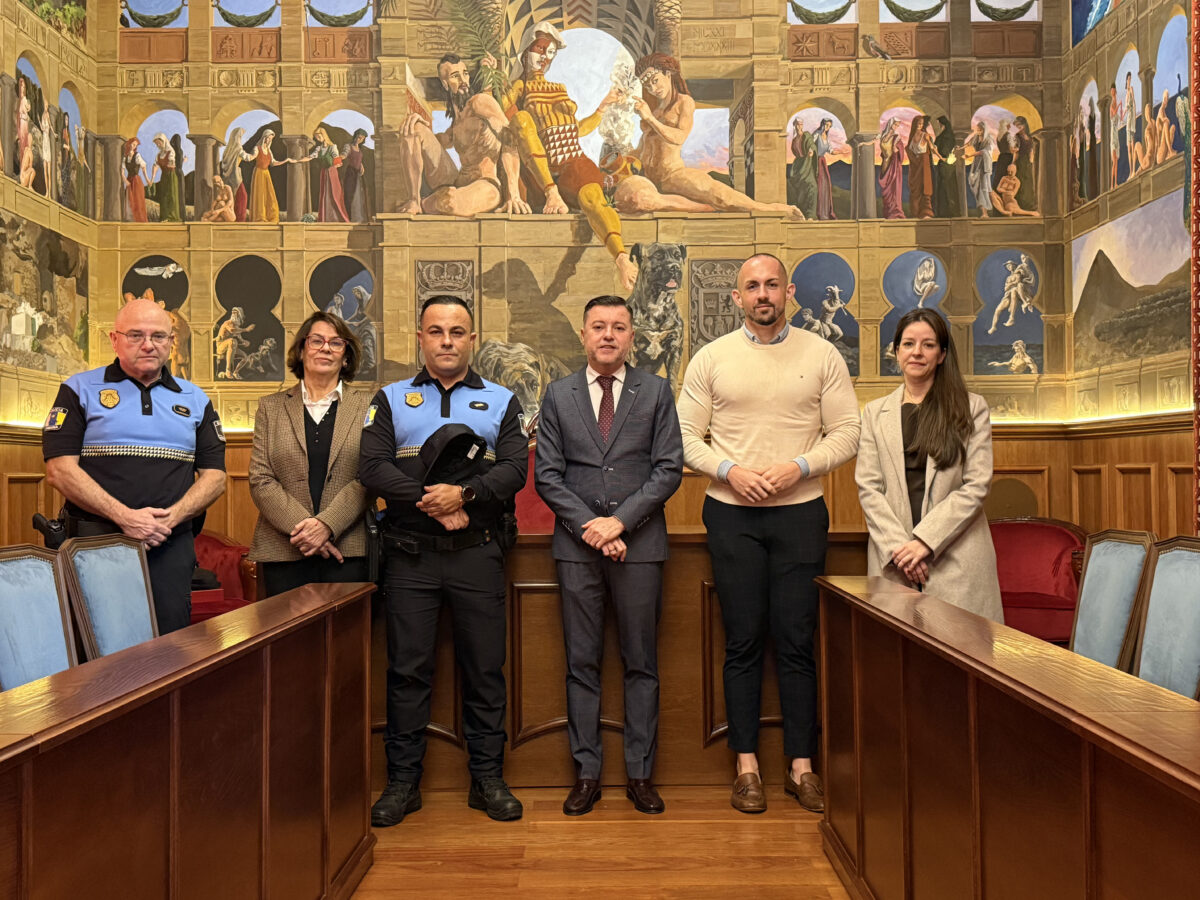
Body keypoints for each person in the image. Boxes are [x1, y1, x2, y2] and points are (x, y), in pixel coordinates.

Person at [677, 254, 859, 814]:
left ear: (790, 292)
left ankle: (802, 767)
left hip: (800, 512)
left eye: (772, 285)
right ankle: (747, 767)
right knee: (743, 639)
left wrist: (798, 467)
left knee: (798, 640)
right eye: (752, 286)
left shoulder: (822, 354)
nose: (763, 294)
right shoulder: (711, 358)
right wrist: (729, 471)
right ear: (737, 298)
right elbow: (684, 437)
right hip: (731, 513)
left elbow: (848, 432)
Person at [360, 294, 528, 826]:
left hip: (478, 554)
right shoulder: (390, 398)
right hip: (411, 558)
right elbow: (372, 467)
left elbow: (515, 470)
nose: (447, 341)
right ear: (420, 338)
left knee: (485, 670)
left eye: (457, 332)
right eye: (436, 331)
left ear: (472, 339)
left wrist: (466, 497)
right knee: (407, 672)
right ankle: (402, 784)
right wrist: (433, 500)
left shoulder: (502, 400)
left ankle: (488, 780)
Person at [534, 295, 683, 817]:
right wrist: (593, 529)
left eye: (619, 327)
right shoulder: (558, 394)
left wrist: (620, 523)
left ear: (631, 337)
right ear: (583, 335)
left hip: (640, 545)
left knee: (641, 662)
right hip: (577, 550)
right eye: (598, 326)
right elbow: (546, 476)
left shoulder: (656, 391)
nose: (608, 335)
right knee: (581, 663)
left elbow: (668, 468)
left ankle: (640, 774)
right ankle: (587, 774)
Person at [42, 297, 227, 633]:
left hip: (170, 546)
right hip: (96, 545)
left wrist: (169, 519)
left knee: (170, 646)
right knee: (100, 646)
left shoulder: (196, 399)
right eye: (136, 335)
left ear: (172, 342)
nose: (148, 344)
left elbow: (216, 477)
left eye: (158, 336)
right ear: (114, 339)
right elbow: (59, 470)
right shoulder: (78, 389)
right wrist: (126, 518)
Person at [855, 309, 1003, 622]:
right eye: (908, 344)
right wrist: (902, 549)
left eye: (928, 345)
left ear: (942, 354)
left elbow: (976, 485)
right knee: (895, 649)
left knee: (960, 648)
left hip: (956, 556)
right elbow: (869, 487)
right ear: (896, 351)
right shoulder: (874, 413)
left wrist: (925, 541)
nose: (917, 352)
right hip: (894, 559)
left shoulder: (971, 408)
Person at [493, 22, 639, 289]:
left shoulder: (559, 87)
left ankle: (620, 257)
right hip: (540, 171)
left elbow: (576, 129)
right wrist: (492, 77)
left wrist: (602, 108)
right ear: (526, 51)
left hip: (573, 160)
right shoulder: (520, 87)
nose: (545, 57)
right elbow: (498, 109)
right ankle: (552, 193)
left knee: (593, 197)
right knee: (522, 119)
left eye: (550, 53)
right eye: (540, 49)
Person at [248, 312, 371, 596]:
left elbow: (369, 476)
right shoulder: (270, 407)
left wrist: (327, 525)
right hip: (284, 548)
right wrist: (306, 531)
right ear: (302, 350)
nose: (325, 348)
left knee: (347, 626)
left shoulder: (369, 406)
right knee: (285, 627)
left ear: (346, 357)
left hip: (348, 550)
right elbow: (260, 479)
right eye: (316, 341)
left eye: (336, 343)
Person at [630, 54, 804, 219]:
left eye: (655, 81)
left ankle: (776, 209)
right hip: (650, 180)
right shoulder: (656, 111)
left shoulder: (684, 103)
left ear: (667, 74)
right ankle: (701, 208)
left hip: (672, 175)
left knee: (721, 197)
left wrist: (650, 119)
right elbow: (643, 147)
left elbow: (680, 137)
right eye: (648, 86)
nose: (653, 89)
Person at [303, 127, 350, 222]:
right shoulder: (319, 148)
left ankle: (338, 218)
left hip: (332, 172)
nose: (317, 138)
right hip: (324, 172)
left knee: (334, 194)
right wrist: (297, 160)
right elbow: (311, 157)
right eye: (316, 137)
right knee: (325, 194)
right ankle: (326, 218)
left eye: (319, 136)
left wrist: (336, 164)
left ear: (324, 135)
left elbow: (337, 161)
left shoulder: (332, 147)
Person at [249, 129, 288, 223]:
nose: (269, 140)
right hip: (259, 173)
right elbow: (252, 157)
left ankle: (271, 216)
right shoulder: (257, 148)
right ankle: (260, 217)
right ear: (264, 138)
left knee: (269, 195)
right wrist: (243, 155)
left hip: (266, 174)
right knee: (260, 195)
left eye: (271, 139)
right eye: (268, 138)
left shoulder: (269, 151)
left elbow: (273, 163)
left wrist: (285, 161)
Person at [219, 127, 256, 222]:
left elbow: (224, 164)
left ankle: (232, 219)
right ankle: (240, 220)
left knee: (232, 198)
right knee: (242, 197)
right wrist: (255, 153)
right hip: (235, 177)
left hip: (227, 176)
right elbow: (248, 158)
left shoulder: (227, 150)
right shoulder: (238, 148)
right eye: (240, 136)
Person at [905, 115, 938, 219]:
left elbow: (932, 148)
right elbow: (909, 150)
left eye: (922, 124)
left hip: (924, 165)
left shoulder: (925, 135)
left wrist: (941, 157)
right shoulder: (912, 136)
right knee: (916, 190)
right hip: (915, 166)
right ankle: (916, 212)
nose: (920, 125)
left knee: (925, 188)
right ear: (915, 124)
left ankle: (926, 213)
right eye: (919, 123)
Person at [788, 119, 818, 219]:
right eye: (797, 125)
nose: (799, 127)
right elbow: (794, 151)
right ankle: (802, 214)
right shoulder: (794, 140)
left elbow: (811, 144)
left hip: (807, 163)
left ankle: (811, 214)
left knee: (812, 186)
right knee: (800, 190)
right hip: (798, 166)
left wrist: (811, 150)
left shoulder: (806, 135)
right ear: (794, 126)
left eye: (801, 124)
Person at [965, 119, 995, 217]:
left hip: (985, 165)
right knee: (976, 186)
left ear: (984, 130)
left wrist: (969, 155)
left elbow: (984, 152)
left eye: (980, 130)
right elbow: (968, 143)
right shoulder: (976, 137)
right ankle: (984, 211)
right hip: (977, 164)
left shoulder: (989, 139)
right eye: (977, 130)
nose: (978, 132)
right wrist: (960, 148)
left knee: (984, 188)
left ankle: (985, 212)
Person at [933, 115, 961, 217]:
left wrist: (938, 154)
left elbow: (942, 152)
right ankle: (950, 212)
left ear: (943, 124)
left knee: (945, 188)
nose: (939, 126)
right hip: (949, 165)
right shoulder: (949, 135)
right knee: (949, 188)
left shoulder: (944, 137)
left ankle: (945, 212)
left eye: (939, 124)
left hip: (945, 164)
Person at [877, 117, 905, 219]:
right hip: (885, 164)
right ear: (891, 123)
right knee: (886, 190)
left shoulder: (896, 138)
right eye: (895, 124)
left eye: (898, 125)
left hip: (894, 166)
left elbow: (901, 150)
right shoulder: (883, 136)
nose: (896, 126)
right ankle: (888, 211)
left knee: (893, 189)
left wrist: (897, 149)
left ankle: (895, 212)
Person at [341, 128, 371, 222]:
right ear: (355, 136)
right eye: (359, 137)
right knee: (349, 194)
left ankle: (357, 218)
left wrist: (361, 166)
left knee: (359, 196)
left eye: (362, 138)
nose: (359, 140)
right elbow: (344, 154)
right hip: (351, 173)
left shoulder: (359, 149)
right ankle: (348, 217)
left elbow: (359, 160)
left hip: (358, 174)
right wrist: (339, 157)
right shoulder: (348, 146)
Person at [123, 136, 149, 222]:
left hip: (136, 181)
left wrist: (147, 179)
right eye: (133, 144)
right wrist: (125, 180)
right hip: (129, 180)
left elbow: (143, 167)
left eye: (135, 145)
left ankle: (139, 220)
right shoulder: (125, 157)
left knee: (137, 200)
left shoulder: (137, 155)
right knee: (129, 200)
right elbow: (121, 172)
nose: (133, 146)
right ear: (129, 144)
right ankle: (131, 220)